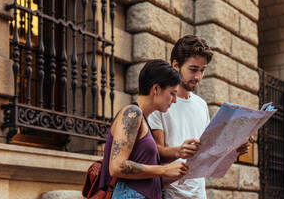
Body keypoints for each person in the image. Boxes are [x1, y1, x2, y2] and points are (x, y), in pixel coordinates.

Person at [148, 35, 250, 199]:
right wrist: (180, 151)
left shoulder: (201, 105)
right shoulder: (160, 102)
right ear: (176, 66)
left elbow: (209, 152)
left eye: (202, 70)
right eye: (193, 69)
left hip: (199, 194)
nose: (198, 77)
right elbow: (155, 152)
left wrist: (235, 148)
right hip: (169, 193)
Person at [99, 59, 188, 199]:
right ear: (156, 89)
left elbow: (145, 180)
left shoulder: (143, 119)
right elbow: (116, 166)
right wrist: (164, 169)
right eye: (172, 93)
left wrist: (178, 170)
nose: (175, 100)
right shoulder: (132, 114)